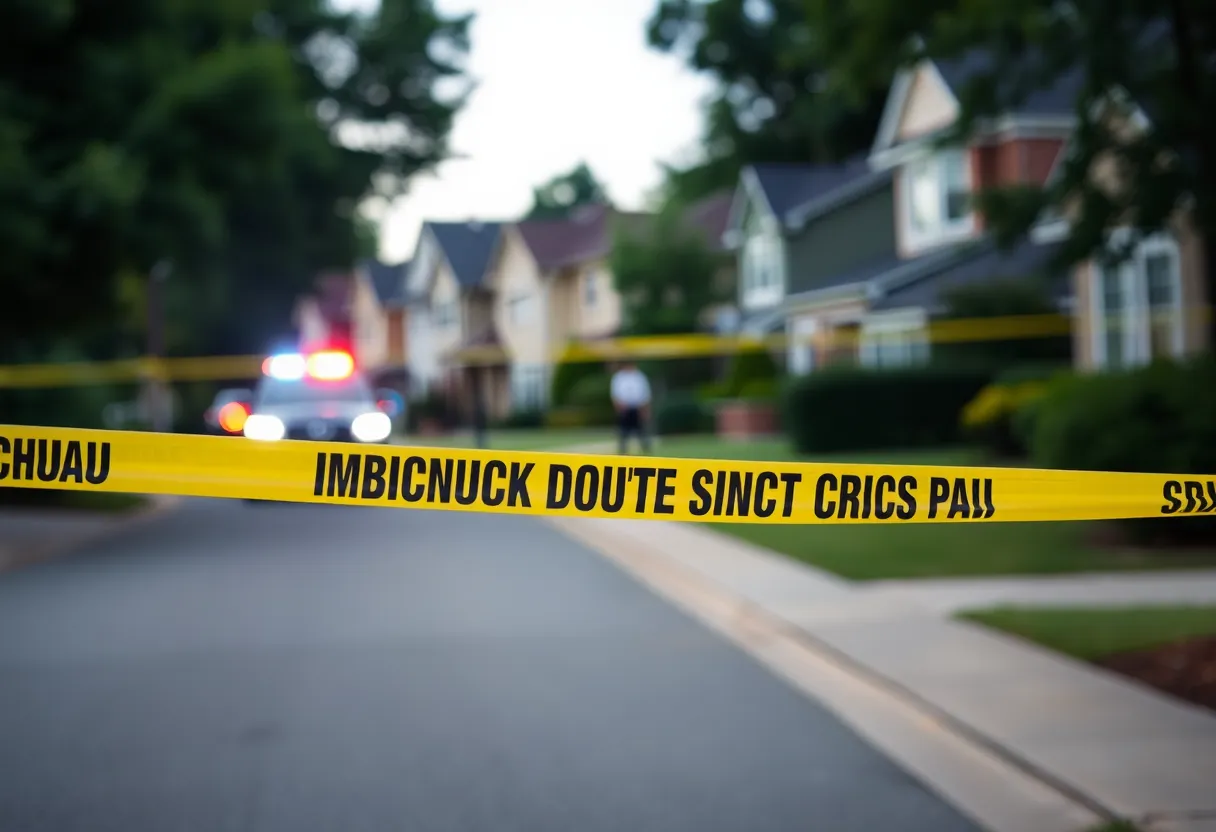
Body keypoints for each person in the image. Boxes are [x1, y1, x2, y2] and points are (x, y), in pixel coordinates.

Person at [610, 360, 652, 455]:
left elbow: (645, 393)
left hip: (638, 407)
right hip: (624, 408)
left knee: (642, 432)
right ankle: (623, 452)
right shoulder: (619, 377)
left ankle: (646, 451)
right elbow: (615, 394)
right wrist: (618, 407)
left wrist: (645, 409)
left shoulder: (639, 376)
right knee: (623, 433)